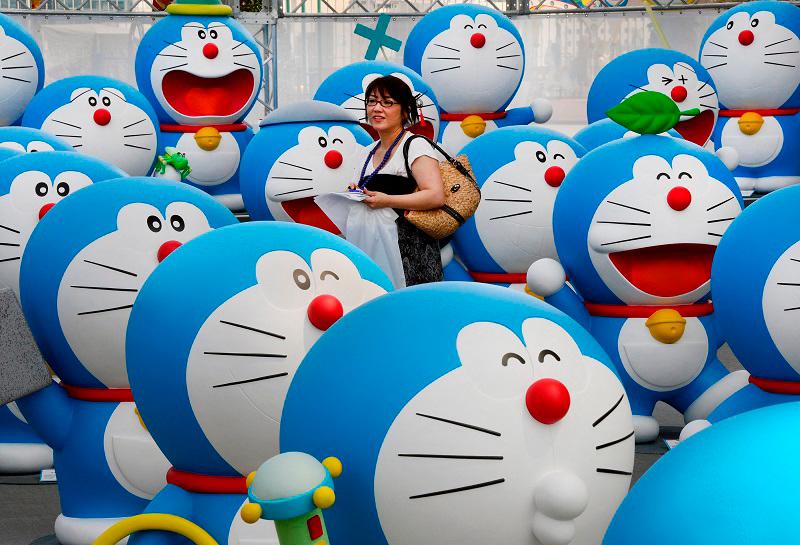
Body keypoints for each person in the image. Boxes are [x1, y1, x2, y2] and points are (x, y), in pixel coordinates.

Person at [346, 75, 446, 286]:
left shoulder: (416, 145)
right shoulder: (366, 152)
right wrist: (356, 193)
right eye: (372, 102)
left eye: (387, 103)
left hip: (409, 254)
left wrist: (387, 200)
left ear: (405, 110)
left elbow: (436, 196)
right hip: (370, 246)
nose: (377, 108)